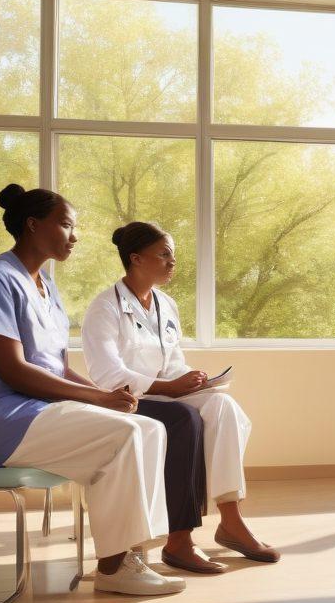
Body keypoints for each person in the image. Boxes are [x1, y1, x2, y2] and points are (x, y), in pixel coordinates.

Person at [0, 184, 184, 596]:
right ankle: (113, 568)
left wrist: (107, 397)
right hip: (0, 421)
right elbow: (14, 370)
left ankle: (130, 554)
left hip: (40, 413)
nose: (74, 236)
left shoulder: (46, 285)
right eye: (66, 224)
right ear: (32, 225)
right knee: (125, 435)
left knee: (149, 427)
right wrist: (99, 398)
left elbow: (58, 368)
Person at [81, 221, 278, 574]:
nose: (172, 262)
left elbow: (171, 363)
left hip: (164, 393)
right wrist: (166, 387)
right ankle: (179, 540)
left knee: (222, 407)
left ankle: (231, 521)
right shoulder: (104, 308)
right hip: (127, 400)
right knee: (185, 420)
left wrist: (192, 380)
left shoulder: (166, 304)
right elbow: (107, 375)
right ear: (136, 258)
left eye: (172, 255)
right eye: (164, 255)